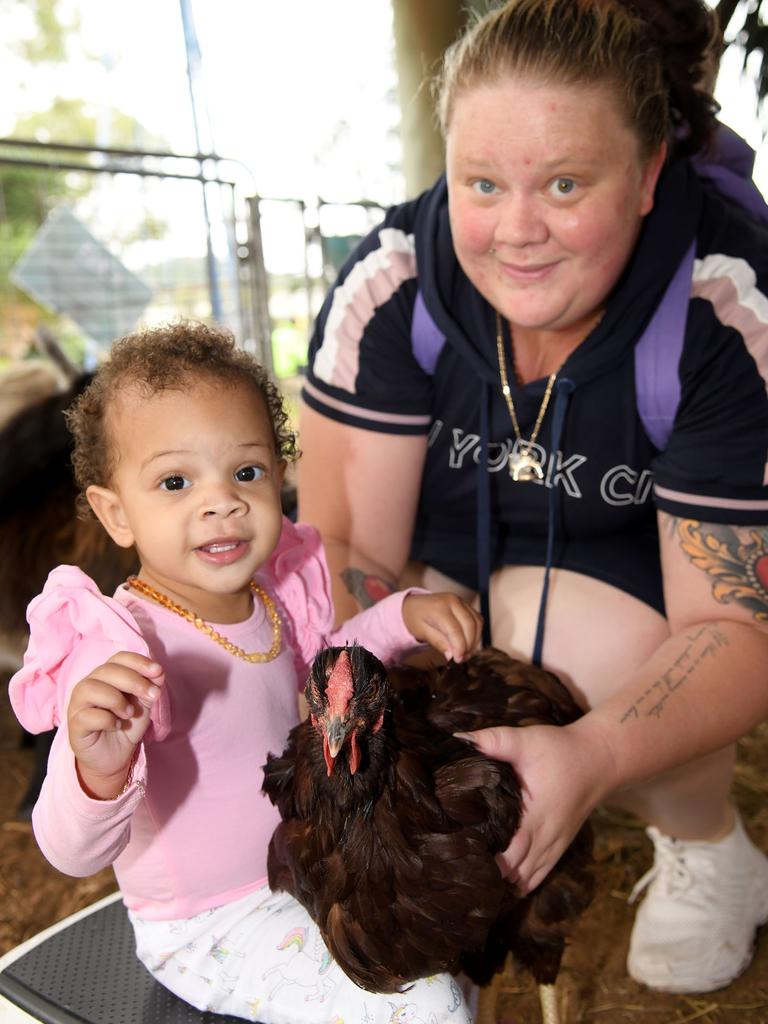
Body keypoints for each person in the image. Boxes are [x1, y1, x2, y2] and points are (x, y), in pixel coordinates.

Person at [298, 0, 768, 997]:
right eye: (482, 182)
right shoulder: (394, 282)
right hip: (438, 574)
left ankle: (705, 838)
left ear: (645, 175)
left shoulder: (724, 307)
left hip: (635, 594)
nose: (518, 232)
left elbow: (740, 625)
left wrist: (592, 750)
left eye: (565, 182)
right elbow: (340, 549)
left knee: (589, 650)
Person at [8, 321, 482, 1024]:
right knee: (425, 1002)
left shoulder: (272, 597)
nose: (220, 500)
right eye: (175, 481)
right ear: (116, 514)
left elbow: (330, 674)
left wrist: (400, 617)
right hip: (209, 924)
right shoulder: (118, 650)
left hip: (307, 868)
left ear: (280, 479)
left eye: (246, 472)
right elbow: (69, 850)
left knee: (441, 942)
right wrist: (95, 769)